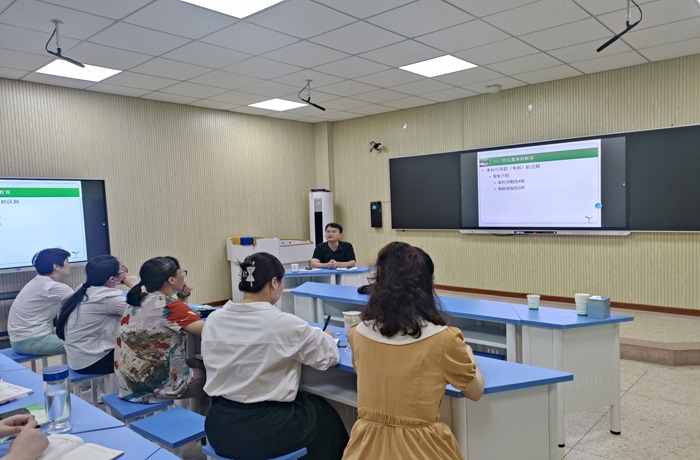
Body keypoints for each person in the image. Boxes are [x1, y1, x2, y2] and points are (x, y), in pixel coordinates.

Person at [342, 242, 484, 460]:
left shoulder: (357, 333)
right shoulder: (444, 339)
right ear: (426, 286)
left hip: (365, 449)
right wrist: (469, 354)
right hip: (421, 449)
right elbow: (475, 391)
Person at [202, 252, 348, 460]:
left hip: (219, 426)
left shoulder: (214, 319)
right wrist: (327, 336)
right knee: (323, 415)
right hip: (265, 429)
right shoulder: (284, 323)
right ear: (273, 283)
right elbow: (327, 357)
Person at [114, 256, 207, 411]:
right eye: (182, 272)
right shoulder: (169, 306)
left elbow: (177, 320)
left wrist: (183, 297)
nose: (184, 276)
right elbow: (209, 332)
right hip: (155, 388)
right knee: (217, 376)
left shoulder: (139, 298)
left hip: (128, 384)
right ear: (171, 280)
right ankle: (204, 421)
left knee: (196, 362)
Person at [55, 255, 139, 375]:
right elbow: (144, 311)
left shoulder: (84, 287)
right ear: (112, 279)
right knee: (151, 352)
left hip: (79, 357)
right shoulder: (106, 298)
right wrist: (135, 286)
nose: (126, 272)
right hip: (94, 361)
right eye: (123, 270)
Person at [8, 248, 73, 355]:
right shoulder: (53, 286)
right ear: (56, 266)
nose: (69, 265)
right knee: (85, 342)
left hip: (23, 338)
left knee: (78, 333)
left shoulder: (39, 281)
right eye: (67, 261)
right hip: (31, 340)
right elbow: (81, 308)